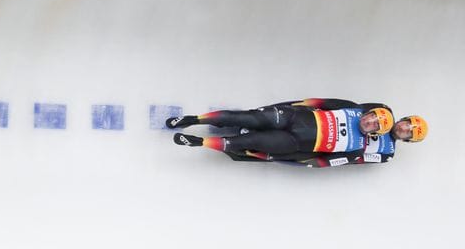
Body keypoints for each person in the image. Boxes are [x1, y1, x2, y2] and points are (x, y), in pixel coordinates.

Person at [167, 98, 395, 160]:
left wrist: (290, 158)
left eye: (374, 124)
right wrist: (289, 106)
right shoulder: (352, 108)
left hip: (294, 143)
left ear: (374, 133)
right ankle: (194, 119)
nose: (370, 121)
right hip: (294, 118)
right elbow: (319, 102)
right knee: (247, 118)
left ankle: (198, 143)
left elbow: (321, 160)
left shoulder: (356, 149)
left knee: (246, 143)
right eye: (372, 116)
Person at [233, 115, 428, 168]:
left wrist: (327, 161)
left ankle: (250, 148)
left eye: (408, 133)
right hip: (326, 128)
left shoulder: (387, 153)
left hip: (328, 148)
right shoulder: (384, 114)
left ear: (407, 140)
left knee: (291, 151)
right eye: (407, 124)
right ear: (404, 119)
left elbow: (357, 159)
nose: (403, 129)